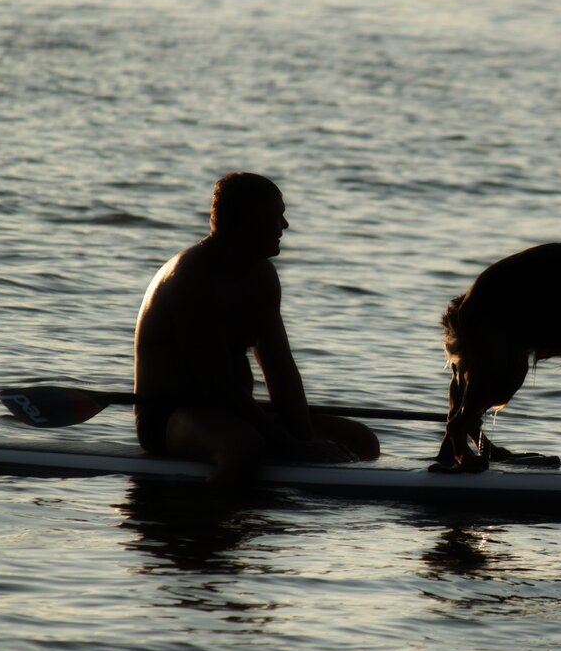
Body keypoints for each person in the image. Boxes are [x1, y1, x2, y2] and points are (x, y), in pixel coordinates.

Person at [133, 172, 379, 481]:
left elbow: (280, 368)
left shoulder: (262, 277)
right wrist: (289, 446)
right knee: (246, 449)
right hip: (171, 417)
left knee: (362, 441)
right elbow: (216, 383)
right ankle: (211, 509)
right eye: (277, 216)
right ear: (248, 220)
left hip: (234, 412)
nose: (285, 225)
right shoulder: (190, 278)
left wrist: (304, 441)